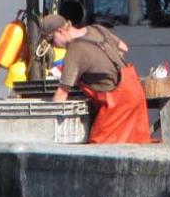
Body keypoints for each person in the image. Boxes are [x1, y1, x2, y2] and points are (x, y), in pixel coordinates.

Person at [42, 13, 151, 144]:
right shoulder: (97, 29)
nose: (53, 46)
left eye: (51, 40)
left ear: (60, 31)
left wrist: (47, 123)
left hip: (117, 104)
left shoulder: (74, 52)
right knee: (137, 150)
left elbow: (62, 94)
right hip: (135, 91)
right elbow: (123, 47)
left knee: (100, 151)